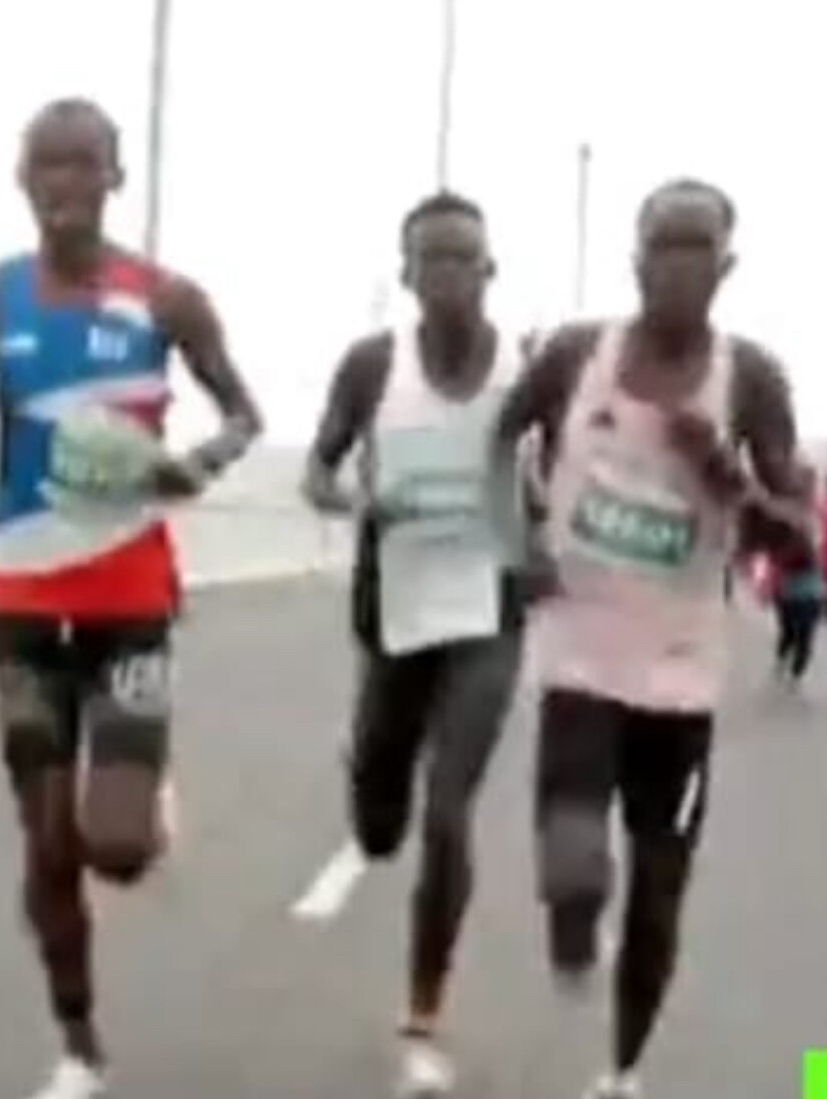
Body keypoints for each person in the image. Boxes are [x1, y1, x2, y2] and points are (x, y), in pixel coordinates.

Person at [0, 98, 262, 1099]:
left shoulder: (167, 300)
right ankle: (78, 1044)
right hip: (24, 601)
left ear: (114, 176)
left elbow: (244, 414)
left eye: (83, 165)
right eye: (47, 165)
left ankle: (140, 801)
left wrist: (200, 461)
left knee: (112, 848)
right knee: (45, 839)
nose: (64, 184)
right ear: (22, 178)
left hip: (129, 600)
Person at [488, 178, 805, 1099]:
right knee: (574, 866)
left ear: (726, 265)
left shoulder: (751, 378)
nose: (677, 266)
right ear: (635, 259)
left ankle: (622, 1071)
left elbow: (792, 533)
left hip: (680, 676)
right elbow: (496, 443)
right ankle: (572, 926)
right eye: (662, 245)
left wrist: (725, 475)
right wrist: (514, 545)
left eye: (696, 247)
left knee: (658, 893)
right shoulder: (574, 356)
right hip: (580, 653)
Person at [302, 191, 536, 1096]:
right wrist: (357, 501)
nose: (446, 273)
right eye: (429, 258)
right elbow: (318, 472)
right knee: (378, 827)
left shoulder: (525, 368)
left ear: (489, 270)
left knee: (447, 813)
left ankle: (422, 1016)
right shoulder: (372, 366)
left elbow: (564, 460)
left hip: (487, 613)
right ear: (405, 274)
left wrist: (546, 532)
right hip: (394, 615)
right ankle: (364, 755)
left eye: (461, 257)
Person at [770, 462, 826, 690]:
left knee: (796, 633)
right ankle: (790, 671)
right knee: (796, 633)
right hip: (795, 585)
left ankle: (791, 671)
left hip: (798, 585)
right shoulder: (803, 515)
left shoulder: (807, 514)